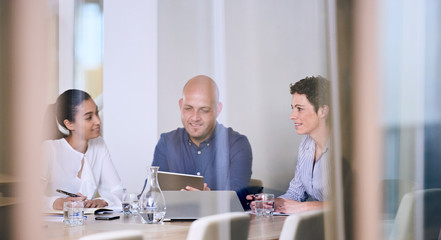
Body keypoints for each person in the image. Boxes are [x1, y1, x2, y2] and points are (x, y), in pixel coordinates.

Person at [145, 75, 252, 199]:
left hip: (217, 219)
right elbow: (151, 194)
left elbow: (239, 198)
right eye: (188, 108)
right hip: (175, 218)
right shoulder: (167, 142)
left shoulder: (237, 144)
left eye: (204, 110)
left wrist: (208, 199)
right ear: (181, 105)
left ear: (218, 109)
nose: (195, 117)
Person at [248, 75, 331, 214]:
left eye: (299, 109)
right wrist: (271, 203)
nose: (292, 115)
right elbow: (295, 194)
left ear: (323, 111)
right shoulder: (306, 144)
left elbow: (351, 203)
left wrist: (304, 207)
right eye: (293, 108)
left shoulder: (345, 148)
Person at [42, 89, 124, 210]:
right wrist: (59, 203)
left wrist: (102, 201)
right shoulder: (49, 149)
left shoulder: (99, 145)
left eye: (97, 113)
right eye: (89, 117)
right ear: (69, 124)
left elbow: (117, 191)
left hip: (86, 224)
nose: (98, 121)